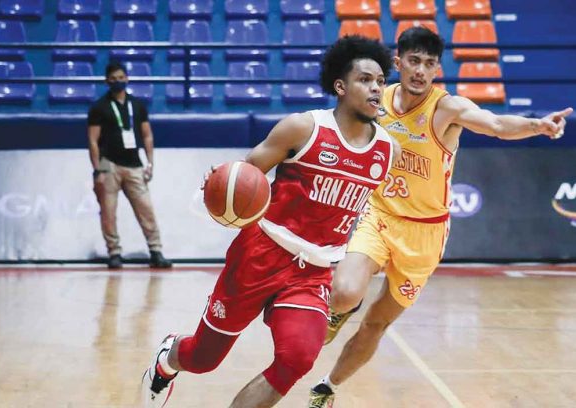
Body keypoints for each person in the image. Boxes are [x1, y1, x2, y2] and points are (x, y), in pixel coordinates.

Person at [308, 27, 573, 407]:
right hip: (380, 215)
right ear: (398, 62)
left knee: (376, 324)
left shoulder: (447, 107)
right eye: (413, 61)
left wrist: (536, 126)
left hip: (426, 234)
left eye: (429, 64)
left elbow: (496, 125)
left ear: (437, 70)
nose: (420, 70)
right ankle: (341, 309)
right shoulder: (375, 100)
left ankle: (328, 387)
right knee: (344, 292)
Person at [140, 36, 400, 408]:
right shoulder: (303, 129)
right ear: (340, 87)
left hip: (313, 272)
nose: (376, 87)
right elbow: (246, 176)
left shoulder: (387, 150)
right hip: (260, 254)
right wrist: (221, 183)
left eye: (380, 81)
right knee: (203, 358)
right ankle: (169, 357)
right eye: (365, 79)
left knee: (297, 359)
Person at [88, 61, 172, 269]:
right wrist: (97, 168)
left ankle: (156, 250)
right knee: (108, 211)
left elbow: (147, 135)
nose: (118, 82)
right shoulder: (99, 107)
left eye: (121, 78)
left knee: (146, 209)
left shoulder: (137, 105)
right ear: (107, 81)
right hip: (109, 166)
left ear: (127, 78)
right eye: (113, 79)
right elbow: (92, 140)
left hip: (135, 165)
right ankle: (114, 252)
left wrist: (150, 162)